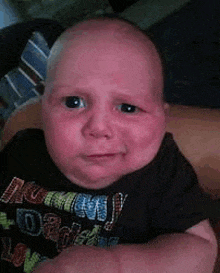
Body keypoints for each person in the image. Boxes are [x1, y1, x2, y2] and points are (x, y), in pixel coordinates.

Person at [0, 17, 217, 273]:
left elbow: (201, 248)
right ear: (43, 107)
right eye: (73, 102)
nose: (99, 128)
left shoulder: (162, 173)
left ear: (162, 120)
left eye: (127, 107)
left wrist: (116, 265)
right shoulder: (23, 149)